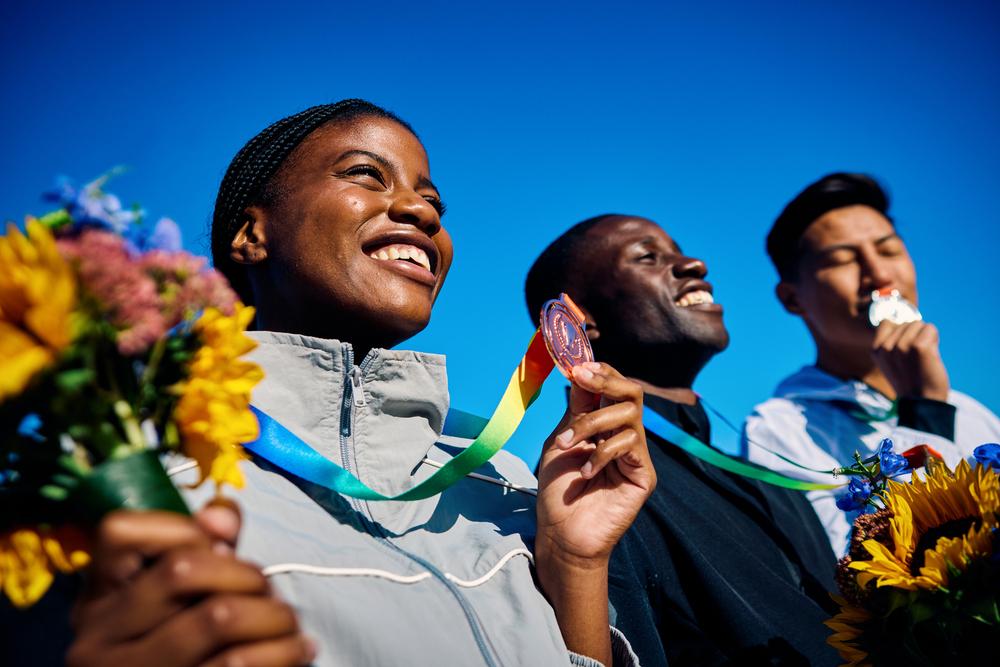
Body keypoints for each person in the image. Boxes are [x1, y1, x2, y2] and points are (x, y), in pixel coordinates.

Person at [65, 101, 656, 667]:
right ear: (251, 234)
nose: (423, 214)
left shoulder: (505, 481)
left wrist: (575, 562)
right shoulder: (135, 467)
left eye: (433, 203)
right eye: (366, 175)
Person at [525, 214, 840, 667]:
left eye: (679, 250)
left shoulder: (778, 488)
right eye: (648, 257)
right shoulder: (588, 488)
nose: (695, 264)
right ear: (580, 320)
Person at [743, 173, 1000, 555]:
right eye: (843, 260)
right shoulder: (778, 430)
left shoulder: (970, 412)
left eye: (890, 251)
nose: (880, 276)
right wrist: (924, 414)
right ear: (792, 298)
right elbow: (849, 574)